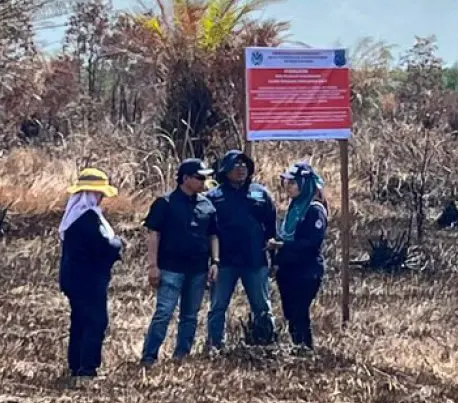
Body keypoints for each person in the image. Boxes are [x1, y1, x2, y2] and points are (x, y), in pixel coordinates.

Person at [140, 158, 219, 365]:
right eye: (199, 177)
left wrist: (215, 262)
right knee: (164, 313)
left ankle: (181, 355)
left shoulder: (207, 205)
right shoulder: (165, 203)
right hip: (171, 268)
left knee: (190, 315)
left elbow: (213, 235)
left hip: (198, 269)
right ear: (185, 178)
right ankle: (149, 356)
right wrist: (153, 266)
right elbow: (153, 234)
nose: (204, 182)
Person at [205, 150, 278, 350]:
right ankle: (215, 346)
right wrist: (211, 262)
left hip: (255, 260)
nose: (241, 169)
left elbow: (272, 227)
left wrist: (274, 258)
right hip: (224, 262)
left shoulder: (260, 194)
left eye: (244, 165)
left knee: (262, 306)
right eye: (236, 165)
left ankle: (266, 344)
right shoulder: (213, 196)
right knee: (218, 307)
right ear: (225, 170)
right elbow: (208, 232)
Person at [58, 168, 123, 384]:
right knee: (96, 322)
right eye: (100, 193)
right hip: (89, 281)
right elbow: (106, 246)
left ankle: (76, 364)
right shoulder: (88, 220)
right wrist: (119, 244)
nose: (102, 197)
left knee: (79, 321)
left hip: (73, 279)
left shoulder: (74, 218)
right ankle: (88, 369)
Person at [268, 162, 328, 351]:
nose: (288, 187)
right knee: (289, 312)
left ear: (304, 183)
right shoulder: (294, 207)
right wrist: (277, 261)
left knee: (300, 311)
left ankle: (306, 348)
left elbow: (312, 242)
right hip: (287, 269)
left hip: (306, 270)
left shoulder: (314, 209)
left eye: (293, 183)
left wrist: (284, 245)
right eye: (287, 182)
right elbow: (284, 235)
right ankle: (297, 346)